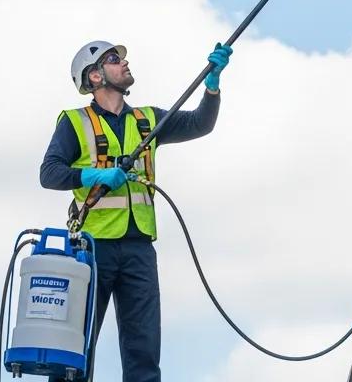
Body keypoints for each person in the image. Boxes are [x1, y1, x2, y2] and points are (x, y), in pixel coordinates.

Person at [40, 38, 232, 381]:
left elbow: (200, 124)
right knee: (75, 349)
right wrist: (96, 174)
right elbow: (49, 173)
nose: (124, 63)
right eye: (114, 59)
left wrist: (212, 87)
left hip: (139, 248)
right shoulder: (75, 122)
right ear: (95, 77)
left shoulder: (149, 120)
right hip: (92, 248)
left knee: (143, 351)